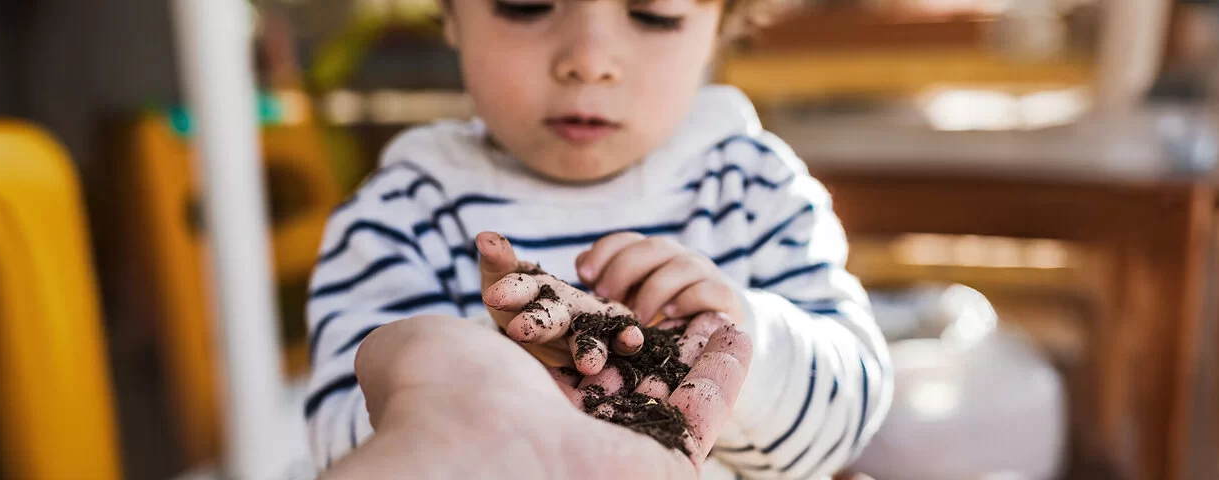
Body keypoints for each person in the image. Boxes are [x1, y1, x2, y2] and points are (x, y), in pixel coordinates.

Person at [304, 0, 894, 477]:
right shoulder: (403, 214)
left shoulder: (755, 187)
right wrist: (477, 387)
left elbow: (849, 415)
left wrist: (740, 337)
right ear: (451, 14)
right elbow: (340, 440)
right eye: (525, 6)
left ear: (719, 26)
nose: (588, 60)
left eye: (653, 15)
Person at [324, 315, 751, 479]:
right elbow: (331, 416)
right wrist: (433, 412)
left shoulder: (757, 181)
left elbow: (821, 431)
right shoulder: (406, 198)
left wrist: (760, 369)